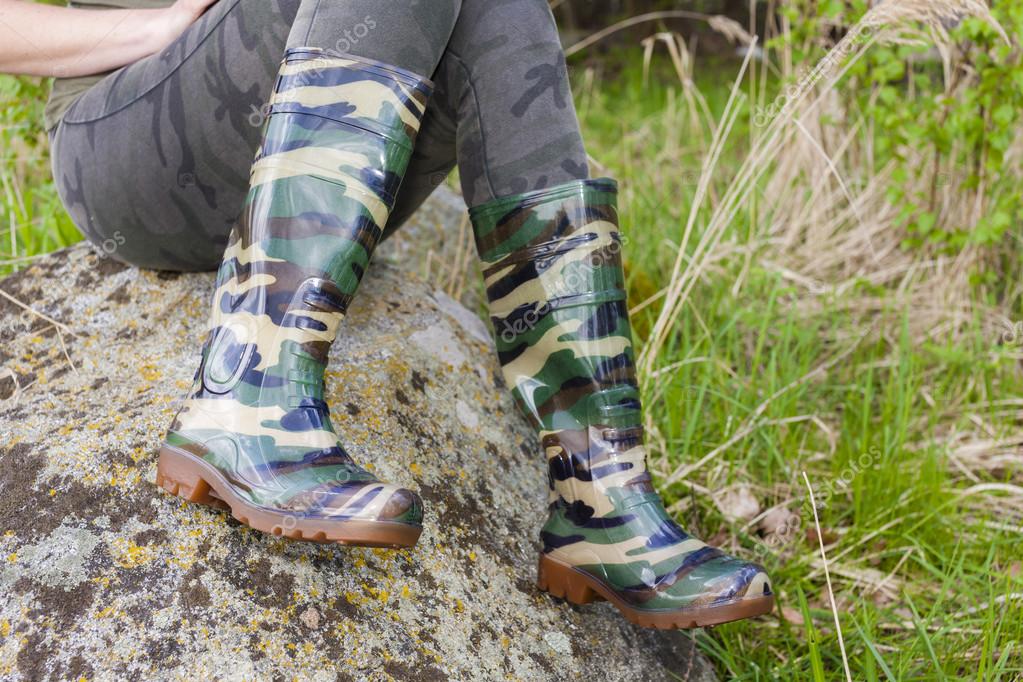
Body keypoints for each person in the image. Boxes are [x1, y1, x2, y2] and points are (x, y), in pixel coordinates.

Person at [0, 0, 774, 629]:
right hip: (128, 135)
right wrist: (145, 25)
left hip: (323, 109)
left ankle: (600, 492)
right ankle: (249, 399)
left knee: (508, 8)